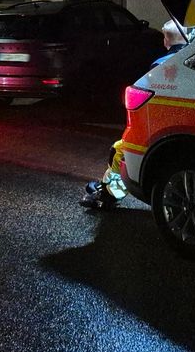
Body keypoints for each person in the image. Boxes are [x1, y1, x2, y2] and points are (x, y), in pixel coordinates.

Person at [80, 20, 188, 210]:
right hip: (191, 123)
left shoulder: (161, 65)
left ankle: (108, 194)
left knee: (121, 151)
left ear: (166, 41)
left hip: (164, 126)